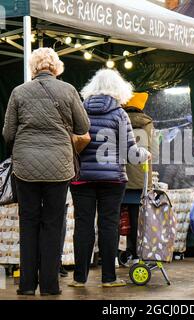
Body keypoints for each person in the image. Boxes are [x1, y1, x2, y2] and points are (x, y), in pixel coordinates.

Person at [2, 47, 90, 296]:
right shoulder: (69, 90)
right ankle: (50, 285)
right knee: (53, 223)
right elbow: (83, 127)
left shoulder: (18, 92)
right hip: (59, 167)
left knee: (28, 223)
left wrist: (22, 147)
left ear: (33, 67)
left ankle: (27, 285)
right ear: (56, 67)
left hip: (25, 167)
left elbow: (8, 133)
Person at [69, 69, 150, 288]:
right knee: (108, 225)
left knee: (83, 225)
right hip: (112, 179)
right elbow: (131, 153)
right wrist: (145, 154)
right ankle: (108, 278)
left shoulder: (81, 110)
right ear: (119, 89)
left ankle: (79, 278)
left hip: (82, 176)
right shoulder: (119, 114)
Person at [121, 92, 154, 265]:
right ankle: (135, 254)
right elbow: (152, 152)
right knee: (136, 219)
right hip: (140, 179)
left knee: (113, 218)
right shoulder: (148, 124)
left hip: (119, 177)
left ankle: (112, 254)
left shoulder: (118, 120)